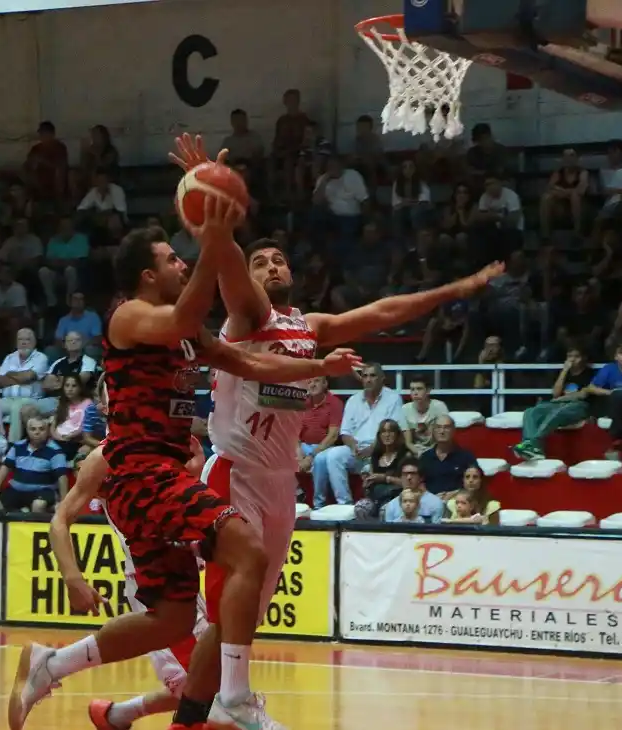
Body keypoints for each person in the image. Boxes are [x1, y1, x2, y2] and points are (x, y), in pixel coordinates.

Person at [162, 133, 503, 729]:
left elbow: (383, 311)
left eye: (279, 261)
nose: (272, 267)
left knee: (243, 617)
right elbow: (229, 267)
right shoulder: (247, 315)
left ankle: (175, 711)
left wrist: (455, 289)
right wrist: (211, 197)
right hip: (234, 471)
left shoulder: (311, 325)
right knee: (223, 605)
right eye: (262, 261)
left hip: (279, 482)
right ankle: (217, 693)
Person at [7, 201, 362, 730]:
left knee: (170, 617)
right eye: (173, 259)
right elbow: (183, 314)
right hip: (143, 472)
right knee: (247, 549)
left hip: (159, 478)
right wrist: (216, 235)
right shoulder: (130, 315)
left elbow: (246, 361)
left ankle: (51, 664)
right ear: (148, 275)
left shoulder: (188, 333)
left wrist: (318, 365)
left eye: (183, 258)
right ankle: (236, 699)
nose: (182, 265)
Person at [53, 434, 208, 729]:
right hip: (150, 581)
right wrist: (73, 578)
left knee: (205, 676)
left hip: (182, 573)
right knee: (202, 681)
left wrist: (194, 470)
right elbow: (61, 519)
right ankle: (53, 665)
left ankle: (116, 715)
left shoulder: (158, 445)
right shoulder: (108, 457)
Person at [512, 347, 596, 461]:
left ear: (583, 358)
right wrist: (564, 371)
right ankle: (529, 444)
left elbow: (582, 395)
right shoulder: (561, 373)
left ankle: (534, 444)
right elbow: (556, 393)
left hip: (579, 406)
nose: (572, 360)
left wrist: (561, 399)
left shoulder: (590, 373)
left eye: (576, 356)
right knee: (531, 411)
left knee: (557, 412)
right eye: (570, 356)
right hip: (559, 403)